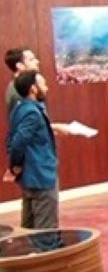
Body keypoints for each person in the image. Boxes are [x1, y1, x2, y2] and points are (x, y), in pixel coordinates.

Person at [6, 71, 59, 229]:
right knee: (45, 230)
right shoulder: (32, 112)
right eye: (43, 84)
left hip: (29, 177)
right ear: (33, 89)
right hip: (41, 176)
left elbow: (12, 139)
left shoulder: (19, 108)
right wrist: (15, 165)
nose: (47, 87)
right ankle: (46, 253)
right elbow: (17, 142)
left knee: (28, 228)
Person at [5, 47, 40, 116]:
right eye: (31, 59)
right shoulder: (17, 91)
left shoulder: (28, 85)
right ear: (20, 66)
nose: (37, 62)